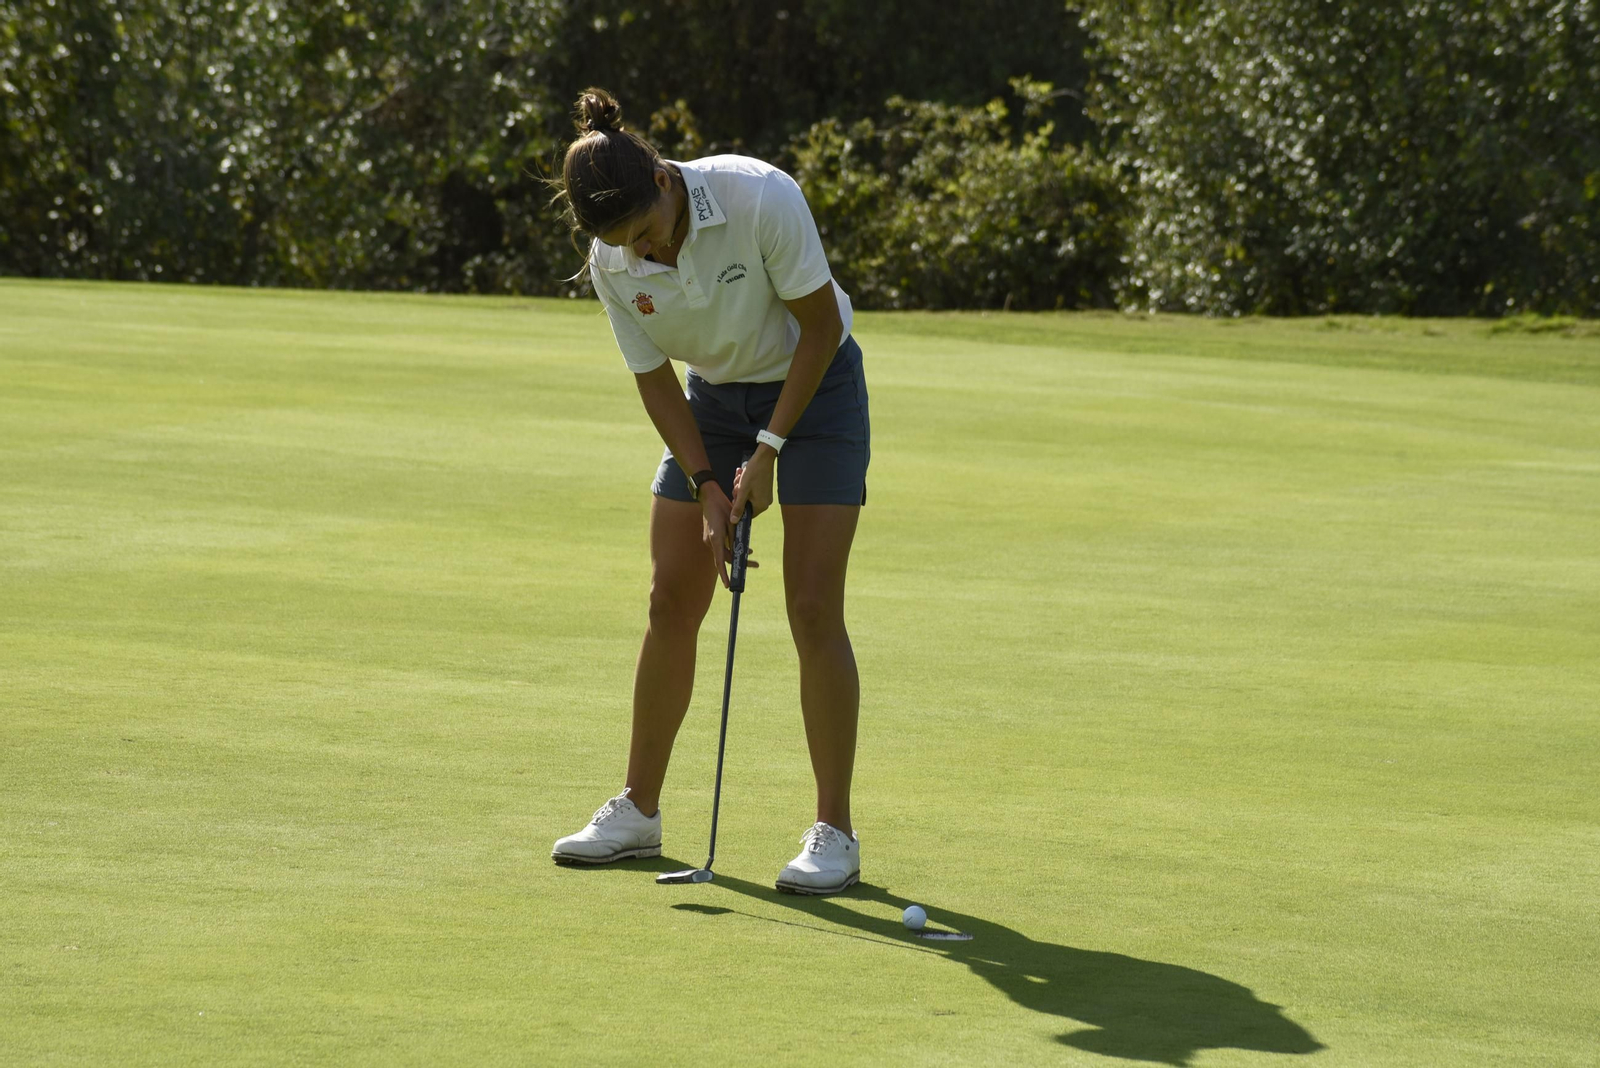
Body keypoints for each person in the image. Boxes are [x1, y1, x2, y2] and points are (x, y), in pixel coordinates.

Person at [547, 88, 870, 895]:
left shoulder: (757, 194)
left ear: (663, 179)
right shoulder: (612, 259)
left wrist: (766, 455)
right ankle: (639, 813)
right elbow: (654, 378)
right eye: (626, 248)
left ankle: (835, 832)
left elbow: (821, 328)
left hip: (816, 387)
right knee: (669, 598)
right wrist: (704, 483)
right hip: (714, 401)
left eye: (648, 236)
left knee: (811, 606)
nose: (644, 257)